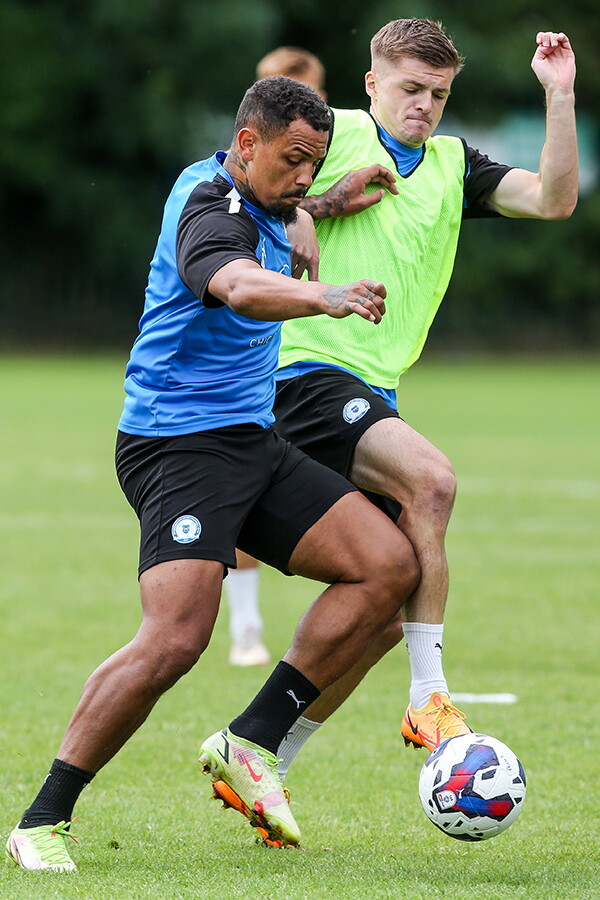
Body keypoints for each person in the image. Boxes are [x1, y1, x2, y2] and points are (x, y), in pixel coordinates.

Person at [5, 76, 421, 871]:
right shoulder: (205, 204)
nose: (302, 175)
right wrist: (321, 294)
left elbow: (280, 207)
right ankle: (41, 818)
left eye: (315, 162)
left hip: (251, 441)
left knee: (387, 567)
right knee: (176, 638)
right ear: (245, 145)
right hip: (175, 446)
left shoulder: (268, 196)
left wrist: (322, 202)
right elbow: (231, 284)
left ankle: (251, 741)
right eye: (293, 160)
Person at [269, 20, 578, 777]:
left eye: (438, 94)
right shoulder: (330, 131)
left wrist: (560, 96)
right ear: (372, 83)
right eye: (410, 89)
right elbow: (234, 198)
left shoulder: (450, 164)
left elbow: (553, 200)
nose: (425, 106)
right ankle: (431, 695)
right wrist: (320, 204)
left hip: (371, 389)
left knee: (382, 601)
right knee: (433, 480)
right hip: (301, 370)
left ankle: (263, 752)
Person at [224, 47, 328, 668]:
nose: (305, 173)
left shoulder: (320, 150)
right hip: (259, 363)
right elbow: (234, 279)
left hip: (324, 357)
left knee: (379, 549)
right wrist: (308, 211)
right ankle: (246, 627)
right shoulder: (226, 185)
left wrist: (304, 207)